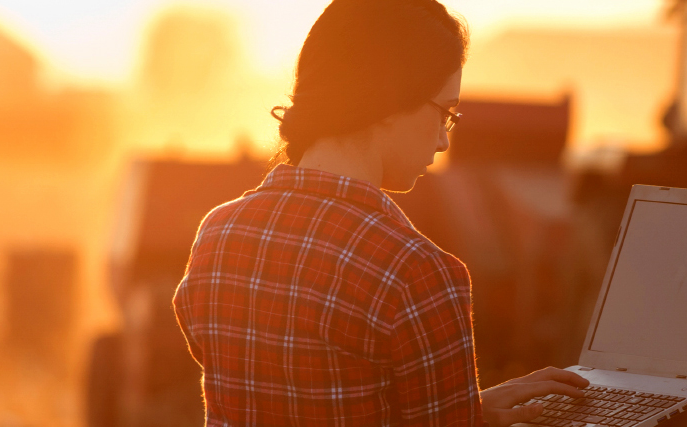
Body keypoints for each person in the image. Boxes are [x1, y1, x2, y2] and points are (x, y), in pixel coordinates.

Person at [171, 0, 588, 425]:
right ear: (390, 104)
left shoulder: (218, 234)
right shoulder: (417, 272)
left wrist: (466, 410)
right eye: (445, 113)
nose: (444, 142)